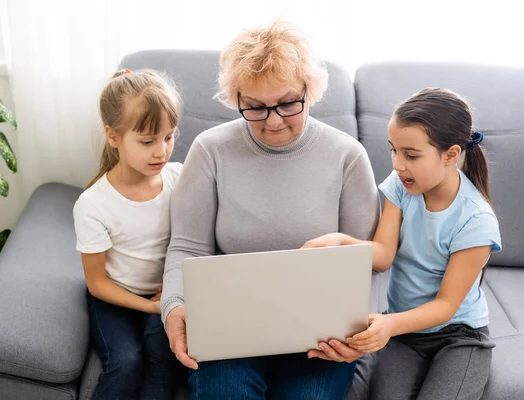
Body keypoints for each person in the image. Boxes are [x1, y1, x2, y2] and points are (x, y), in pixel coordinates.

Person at [160, 21, 380, 399]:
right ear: (237, 98)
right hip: (230, 326)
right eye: (256, 108)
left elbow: (368, 263)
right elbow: (187, 248)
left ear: (310, 91)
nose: (274, 120)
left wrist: (362, 330)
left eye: (288, 103)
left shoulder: (347, 157)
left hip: (321, 334)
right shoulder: (210, 150)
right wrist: (174, 307)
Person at [305, 88, 501, 400]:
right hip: (406, 334)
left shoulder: (476, 219)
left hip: (460, 337)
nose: (398, 164)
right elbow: (383, 256)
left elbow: (446, 306)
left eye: (411, 155)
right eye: (393, 151)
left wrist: (389, 325)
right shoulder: (401, 186)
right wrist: (342, 242)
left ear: (451, 154)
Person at [73, 69, 185, 400]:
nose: (161, 152)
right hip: (114, 299)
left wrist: (171, 295)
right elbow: (97, 284)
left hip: (166, 295)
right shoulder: (93, 204)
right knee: (125, 361)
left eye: (169, 137)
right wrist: (148, 308)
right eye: (148, 141)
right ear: (114, 137)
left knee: (161, 359)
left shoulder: (179, 179)